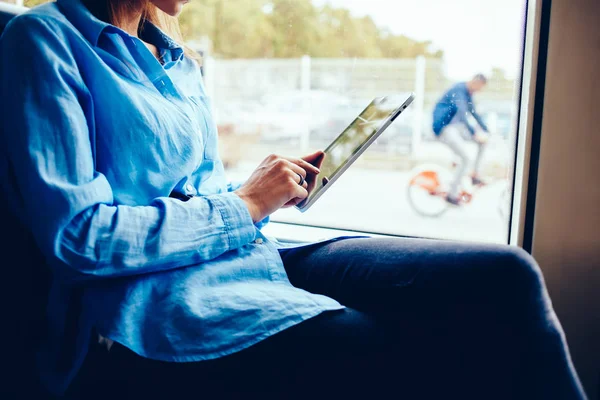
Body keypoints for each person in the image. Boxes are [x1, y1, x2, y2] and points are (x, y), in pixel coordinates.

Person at [0, 1, 587, 399]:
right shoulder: (43, 41)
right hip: (146, 304)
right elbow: (77, 240)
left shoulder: (174, 58)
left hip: (244, 253)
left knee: (504, 273)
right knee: (387, 344)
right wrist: (244, 205)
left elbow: (194, 193)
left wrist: (259, 188)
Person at [432, 74, 491, 205]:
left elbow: (473, 112)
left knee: (483, 142)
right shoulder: (459, 90)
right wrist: (474, 132)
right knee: (466, 159)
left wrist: (486, 130)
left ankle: (475, 175)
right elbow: (462, 113)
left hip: (454, 128)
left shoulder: (468, 93)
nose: (478, 91)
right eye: (479, 87)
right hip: (443, 128)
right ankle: (451, 194)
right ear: (475, 82)